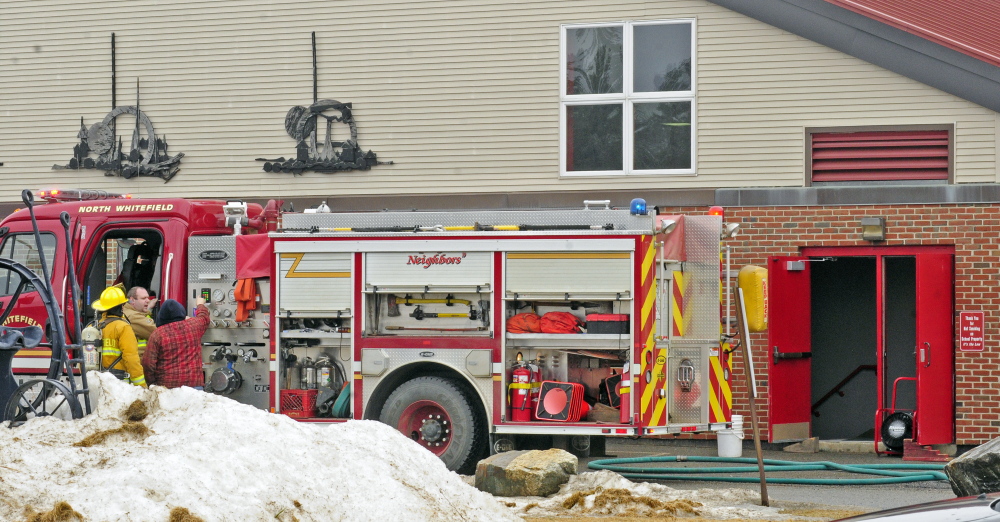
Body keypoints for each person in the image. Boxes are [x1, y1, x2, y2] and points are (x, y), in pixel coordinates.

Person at [141, 298, 210, 389]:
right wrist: (200, 304)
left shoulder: (157, 334)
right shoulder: (193, 326)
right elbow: (204, 317)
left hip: (167, 387)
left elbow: (148, 364)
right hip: (193, 386)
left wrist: (152, 383)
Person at [93, 286, 147, 388]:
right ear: (121, 307)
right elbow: (131, 359)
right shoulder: (123, 327)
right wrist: (141, 386)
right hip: (119, 385)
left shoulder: (93, 327)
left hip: (97, 382)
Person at [124, 286, 157, 358]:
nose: (148, 300)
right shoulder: (133, 316)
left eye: (148, 298)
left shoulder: (132, 312)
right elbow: (156, 333)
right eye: (143, 298)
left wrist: (148, 309)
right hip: (139, 363)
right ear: (132, 300)